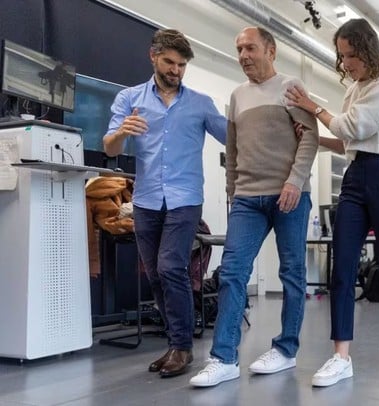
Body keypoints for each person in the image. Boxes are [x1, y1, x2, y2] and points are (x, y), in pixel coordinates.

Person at [285, 18, 379, 387]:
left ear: (367, 50)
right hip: (356, 177)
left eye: (350, 54)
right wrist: (315, 138)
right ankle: (341, 356)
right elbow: (350, 142)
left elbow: (352, 128)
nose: (345, 62)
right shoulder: (354, 89)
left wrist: (312, 106)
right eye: (341, 56)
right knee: (343, 266)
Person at [189, 26, 318, 387]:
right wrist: (232, 190)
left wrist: (295, 181)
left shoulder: (291, 88)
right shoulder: (237, 96)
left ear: (271, 51)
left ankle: (286, 349)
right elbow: (232, 149)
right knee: (232, 273)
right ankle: (224, 358)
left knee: (292, 273)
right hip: (248, 198)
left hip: (289, 195)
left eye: (251, 48)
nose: (244, 55)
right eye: (239, 49)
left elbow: (310, 139)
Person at [103, 28, 226, 378]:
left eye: (182, 65)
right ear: (153, 57)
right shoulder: (129, 99)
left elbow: (231, 135)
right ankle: (174, 344)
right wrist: (122, 132)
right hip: (145, 200)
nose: (175, 70)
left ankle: (183, 347)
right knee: (156, 274)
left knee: (171, 266)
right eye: (169, 62)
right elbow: (110, 147)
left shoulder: (200, 103)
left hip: (185, 199)